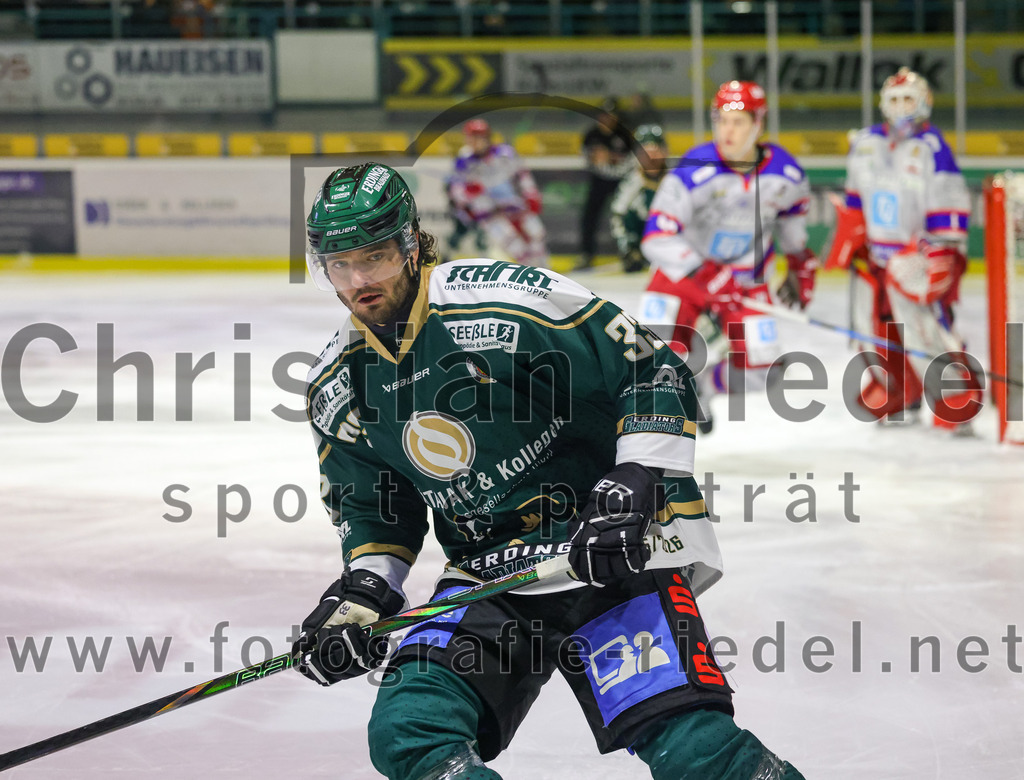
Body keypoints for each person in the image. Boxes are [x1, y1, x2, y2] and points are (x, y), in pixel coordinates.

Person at [293, 162, 806, 779]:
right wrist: (363, 592)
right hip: (489, 578)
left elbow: (649, 370)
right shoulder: (338, 384)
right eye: (340, 265)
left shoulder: (508, 300)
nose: (358, 281)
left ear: (408, 246)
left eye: (373, 257)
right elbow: (375, 507)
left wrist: (634, 481)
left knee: (694, 749)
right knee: (409, 730)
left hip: (610, 550)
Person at [638, 80, 817, 433]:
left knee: (767, 374)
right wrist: (705, 273)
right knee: (647, 365)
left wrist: (801, 266)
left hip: (745, 281)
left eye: (738, 122)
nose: (727, 130)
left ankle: (702, 383)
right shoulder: (693, 169)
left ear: (758, 124)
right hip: (684, 277)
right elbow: (656, 238)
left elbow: (793, 228)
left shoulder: (787, 174)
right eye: (721, 120)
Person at [828, 66, 979, 430]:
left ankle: (954, 394)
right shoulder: (864, 143)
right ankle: (896, 388)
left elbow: (949, 204)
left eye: (909, 99)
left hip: (915, 254)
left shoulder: (933, 148)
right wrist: (851, 238)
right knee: (868, 325)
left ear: (924, 103)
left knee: (923, 326)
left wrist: (944, 252)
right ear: (883, 104)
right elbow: (854, 200)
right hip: (873, 254)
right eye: (894, 100)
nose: (901, 107)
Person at [444, 118, 548, 267]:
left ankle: (546, 272)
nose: (474, 141)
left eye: (478, 137)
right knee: (513, 245)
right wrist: (468, 193)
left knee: (537, 234)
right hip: (488, 211)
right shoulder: (463, 161)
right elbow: (456, 191)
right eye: (471, 137)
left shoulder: (505, 153)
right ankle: (531, 274)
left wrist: (531, 195)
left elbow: (522, 175)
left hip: (514, 203)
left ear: (487, 137)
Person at [578, 97, 634, 269]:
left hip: (621, 182)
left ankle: (630, 253)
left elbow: (631, 161)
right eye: (603, 116)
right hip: (599, 180)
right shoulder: (591, 135)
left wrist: (610, 158)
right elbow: (588, 158)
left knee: (625, 216)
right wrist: (600, 160)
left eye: (611, 116)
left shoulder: (625, 134)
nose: (606, 120)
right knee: (589, 216)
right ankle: (587, 254)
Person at [609, 124, 669, 274]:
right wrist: (628, 247)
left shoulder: (675, 181)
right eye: (645, 154)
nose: (650, 159)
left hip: (670, 248)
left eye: (655, 152)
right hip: (639, 251)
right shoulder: (631, 183)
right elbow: (618, 215)